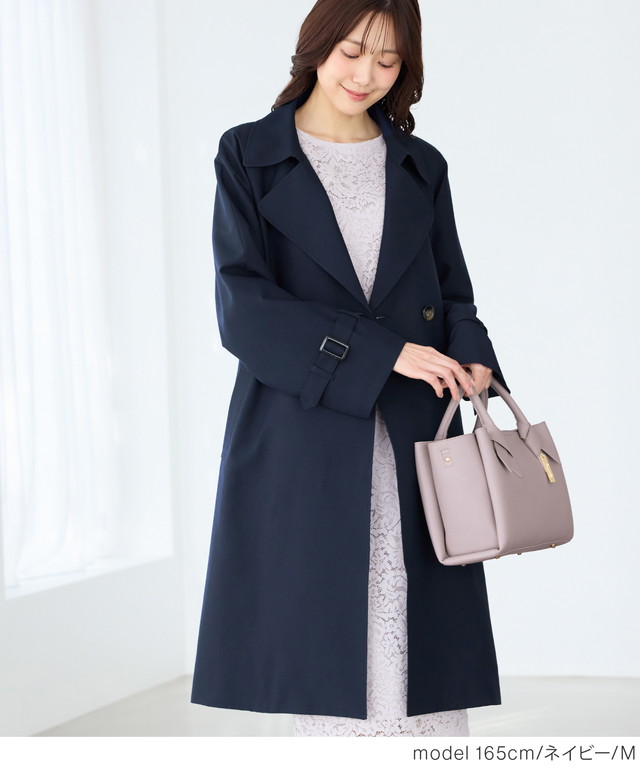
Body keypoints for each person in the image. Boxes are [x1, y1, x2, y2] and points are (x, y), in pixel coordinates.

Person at [191, 0, 510, 737]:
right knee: (327, 648)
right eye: (353, 52)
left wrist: (473, 358)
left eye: (389, 59)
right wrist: (382, 353)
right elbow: (244, 308)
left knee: (424, 652)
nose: (367, 74)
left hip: (418, 429)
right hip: (304, 428)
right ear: (317, 45)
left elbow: (452, 292)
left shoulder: (420, 164)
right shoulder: (249, 154)